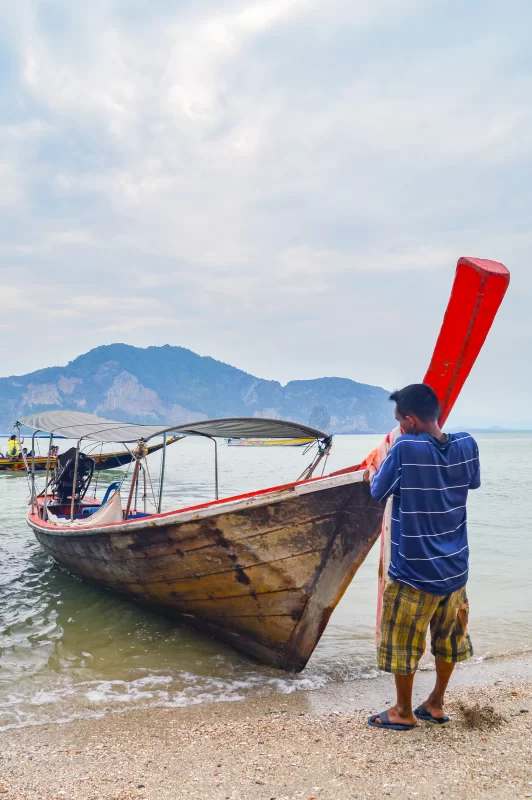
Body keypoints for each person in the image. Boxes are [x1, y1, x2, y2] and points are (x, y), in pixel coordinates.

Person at [365, 384, 480, 731]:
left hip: (413, 571)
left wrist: (374, 469)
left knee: (403, 642)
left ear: (411, 421)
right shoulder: (467, 444)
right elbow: (471, 482)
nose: (398, 426)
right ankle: (436, 703)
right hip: (455, 567)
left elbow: (378, 491)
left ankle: (403, 711)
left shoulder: (404, 447)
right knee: (449, 640)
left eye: (399, 420)